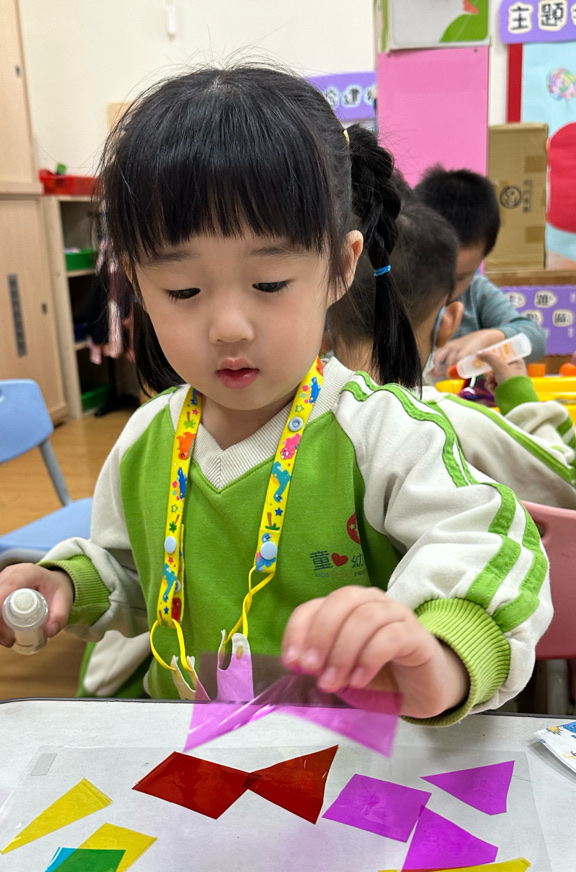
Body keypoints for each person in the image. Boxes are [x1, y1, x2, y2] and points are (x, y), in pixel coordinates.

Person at [0, 66, 551, 723]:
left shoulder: (381, 432)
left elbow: (492, 549)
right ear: (138, 287)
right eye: (182, 291)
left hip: (347, 752)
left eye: (268, 284)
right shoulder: (147, 440)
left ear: (340, 267)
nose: (229, 326)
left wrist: (439, 655)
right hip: (191, 750)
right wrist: (68, 584)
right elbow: (138, 578)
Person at [331, 202, 576, 510]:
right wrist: (520, 397)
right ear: (448, 322)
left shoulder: (296, 411)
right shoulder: (454, 424)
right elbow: (566, 482)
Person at [413, 166, 547, 379]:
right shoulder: (402, 292)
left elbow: (535, 338)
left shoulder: (478, 294)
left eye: (459, 277)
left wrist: (487, 338)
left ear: (482, 259)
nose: (445, 288)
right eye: (435, 272)